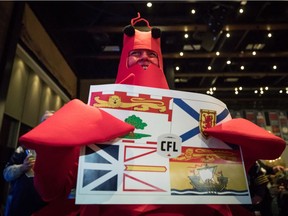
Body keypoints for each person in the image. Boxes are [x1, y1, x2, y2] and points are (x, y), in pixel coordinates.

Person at [19, 13, 286, 216]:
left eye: (150, 54)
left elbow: (222, 186)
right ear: (124, 57)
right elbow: (53, 190)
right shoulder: (96, 118)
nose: (144, 58)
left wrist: (242, 152)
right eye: (136, 53)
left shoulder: (191, 117)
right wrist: (56, 145)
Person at [3, 111, 54, 216]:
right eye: (44, 121)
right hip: (19, 206)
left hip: (45, 207)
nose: (47, 124)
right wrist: (22, 167)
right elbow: (6, 174)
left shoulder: (59, 150)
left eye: (51, 121)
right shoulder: (26, 146)